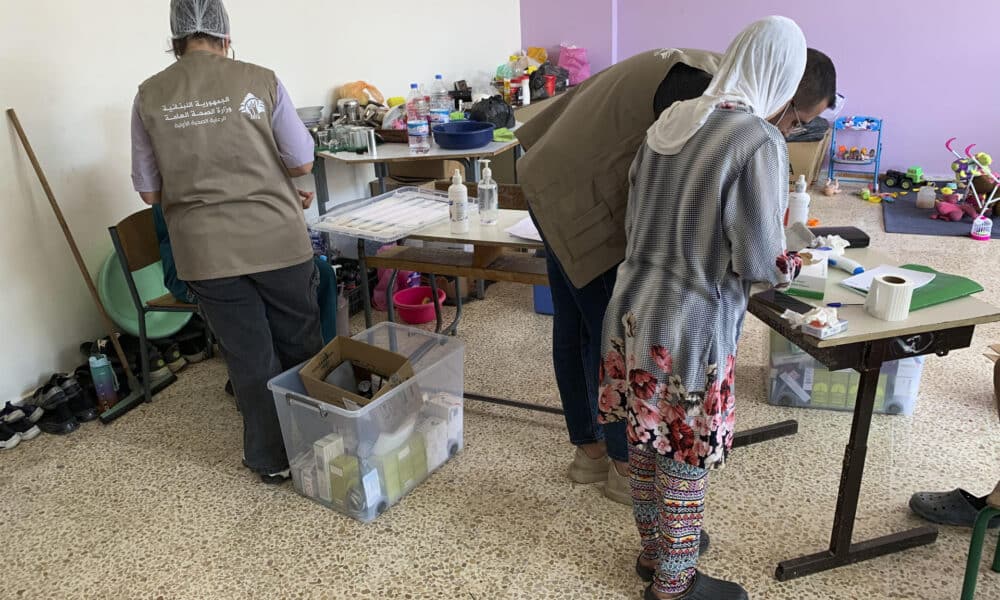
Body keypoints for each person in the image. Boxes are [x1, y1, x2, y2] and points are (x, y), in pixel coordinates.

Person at [517, 43, 836, 504]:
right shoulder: (710, 102)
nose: (788, 131)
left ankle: (589, 455)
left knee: (577, 323)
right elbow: (703, 214)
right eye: (797, 121)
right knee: (610, 330)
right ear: (783, 90)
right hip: (579, 196)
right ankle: (625, 469)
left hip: (546, 173)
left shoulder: (710, 72)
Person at [597, 17, 819, 599]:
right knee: (684, 452)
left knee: (647, 440)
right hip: (691, 325)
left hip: (629, 306)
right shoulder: (756, 139)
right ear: (783, 75)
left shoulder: (672, 120)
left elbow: (634, 220)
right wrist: (798, 260)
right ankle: (675, 585)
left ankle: (655, 556)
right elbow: (760, 261)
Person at [130, 0, 322, 483]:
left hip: (205, 252)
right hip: (276, 238)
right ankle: (320, 443)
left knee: (248, 355)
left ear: (174, 39)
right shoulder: (261, 79)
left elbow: (150, 191)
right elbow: (301, 161)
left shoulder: (148, 95)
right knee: (299, 340)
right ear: (225, 36)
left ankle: (270, 459)